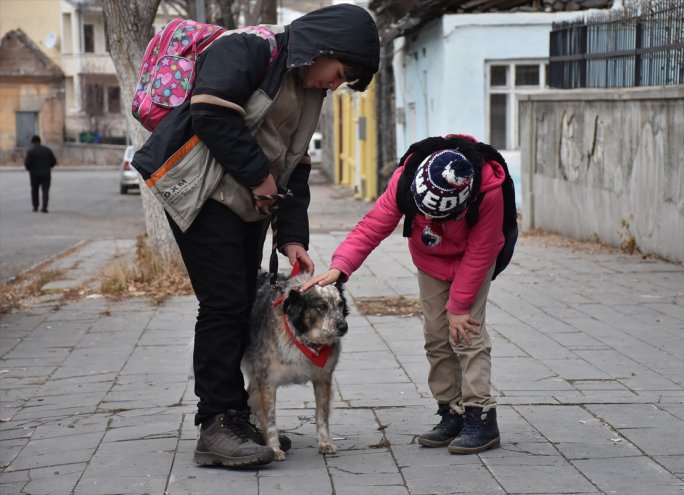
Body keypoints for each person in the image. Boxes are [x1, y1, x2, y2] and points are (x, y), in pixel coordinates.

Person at [132, 4, 379, 468]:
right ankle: (217, 423)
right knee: (225, 302)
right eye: (340, 72)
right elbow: (210, 111)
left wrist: (293, 241)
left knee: (243, 297)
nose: (335, 83)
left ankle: (237, 414)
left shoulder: (309, 91)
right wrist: (259, 179)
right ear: (324, 48)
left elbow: (297, 166)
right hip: (200, 194)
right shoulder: (249, 47)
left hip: (246, 204)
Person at [304, 135, 506, 455]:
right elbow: (373, 227)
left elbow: (481, 252)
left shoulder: (489, 191)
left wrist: (459, 305)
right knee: (437, 336)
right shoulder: (406, 181)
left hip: (474, 262)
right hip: (430, 262)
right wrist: (340, 266)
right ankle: (450, 412)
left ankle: (481, 416)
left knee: (466, 333)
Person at [24, 135, 57, 213]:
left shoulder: (30, 152)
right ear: (40, 141)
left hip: (34, 175)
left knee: (34, 190)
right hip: (46, 174)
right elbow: (54, 162)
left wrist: (30, 169)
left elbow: (27, 164)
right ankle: (44, 207)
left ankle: (35, 207)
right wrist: (48, 166)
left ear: (32, 142)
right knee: (45, 191)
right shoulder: (47, 150)